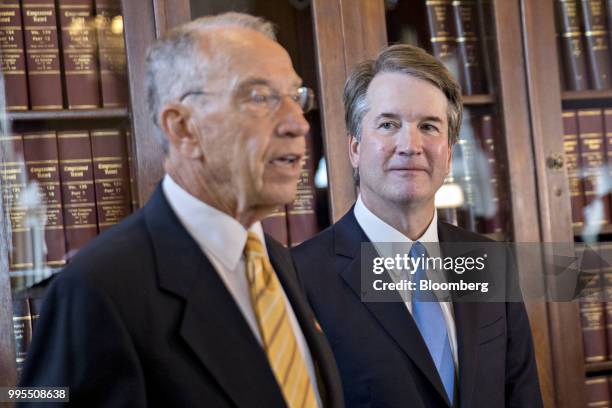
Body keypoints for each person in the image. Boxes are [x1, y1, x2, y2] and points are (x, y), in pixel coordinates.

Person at [19, 12, 343, 408]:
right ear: (182, 128)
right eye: (260, 97)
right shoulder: (97, 289)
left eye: (297, 97)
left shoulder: (279, 263)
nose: (298, 124)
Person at [292, 44, 543, 407]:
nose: (410, 145)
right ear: (355, 149)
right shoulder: (302, 277)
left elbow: (523, 397)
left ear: (449, 154)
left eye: (428, 126)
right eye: (388, 124)